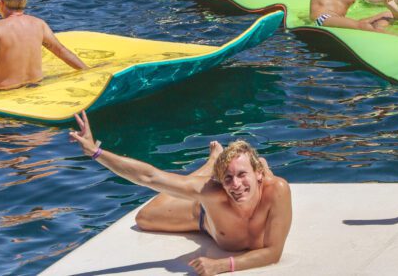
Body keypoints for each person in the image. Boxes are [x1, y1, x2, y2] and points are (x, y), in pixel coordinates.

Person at [70, 111, 292, 276]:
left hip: (257, 177)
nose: (236, 185)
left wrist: (220, 265)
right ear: (221, 184)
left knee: (251, 179)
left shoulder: (277, 191)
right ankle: (212, 164)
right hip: (203, 217)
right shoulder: (212, 194)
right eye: (228, 178)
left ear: (259, 175)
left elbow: (273, 253)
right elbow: (150, 177)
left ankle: (238, 164)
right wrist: (95, 151)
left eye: (243, 175)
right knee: (144, 218)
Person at [0, 0, 87, 90]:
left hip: (5, 92)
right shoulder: (39, 24)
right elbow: (61, 51)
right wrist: (86, 70)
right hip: (35, 87)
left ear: (1, 3)